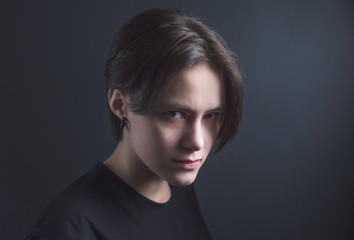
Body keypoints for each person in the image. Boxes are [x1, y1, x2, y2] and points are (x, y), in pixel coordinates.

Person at [26, 8, 243, 239]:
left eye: (211, 115)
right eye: (175, 114)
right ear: (120, 104)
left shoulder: (177, 187)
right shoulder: (68, 227)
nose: (196, 142)